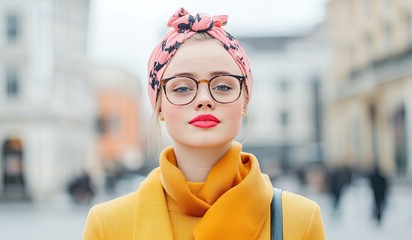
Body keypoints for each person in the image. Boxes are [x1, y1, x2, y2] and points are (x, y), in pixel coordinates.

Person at [83, 8, 325, 239]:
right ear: (159, 107)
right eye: (181, 88)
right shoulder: (107, 225)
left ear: (244, 101)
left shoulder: (299, 220)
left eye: (222, 86)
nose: (204, 99)